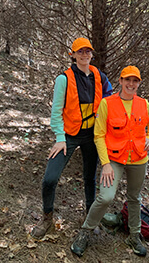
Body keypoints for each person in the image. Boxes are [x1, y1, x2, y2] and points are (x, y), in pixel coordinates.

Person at [70, 66, 149, 257]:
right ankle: (85, 232)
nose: (131, 84)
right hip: (114, 159)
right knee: (106, 197)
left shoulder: (144, 104)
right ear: (120, 81)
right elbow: (99, 135)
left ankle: (134, 235)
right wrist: (106, 164)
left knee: (135, 197)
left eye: (135, 81)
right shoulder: (107, 103)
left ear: (139, 83)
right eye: (128, 80)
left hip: (138, 158)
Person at [31, 37, 113, 239]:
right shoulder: (64, 79)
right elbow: (56, 112)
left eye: (88, 51)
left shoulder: (99, 76)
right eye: (80, 51)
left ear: (92, 54)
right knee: (50, 178)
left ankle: (89, 217)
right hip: (68, 135)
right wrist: (60, 138)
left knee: (89, 177)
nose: (85, 55)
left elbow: (110, 98)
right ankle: (47, 217)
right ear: (73, 55)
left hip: (92, 135)